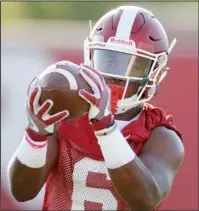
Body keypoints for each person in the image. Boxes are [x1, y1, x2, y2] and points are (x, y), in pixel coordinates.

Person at [7, 5, 184, 211]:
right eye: (109, 60)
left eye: (133, 64)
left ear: (155, 72)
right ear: (91, 57)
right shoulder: (67, 115)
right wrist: (35, 136)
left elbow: (145, 199)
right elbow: (22, 191)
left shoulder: (161, 137)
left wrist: (106, 128)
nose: (117, 75)